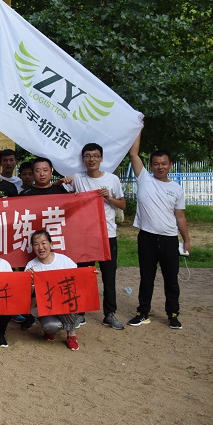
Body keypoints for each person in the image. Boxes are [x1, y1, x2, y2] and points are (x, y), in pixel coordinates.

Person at [127, 130, 190, 329]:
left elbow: (180, 216)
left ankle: (173, 314)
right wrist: (138, 128)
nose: (160, 167)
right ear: (151, 165)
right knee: (147, 277)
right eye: (156, 163)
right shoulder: (144, 179)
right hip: (146, 237)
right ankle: (143, 313)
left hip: (169, 239)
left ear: (170, 165)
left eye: (164, 163)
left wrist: (186, 240)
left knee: (171, 279)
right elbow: (133, 154)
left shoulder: (177, 189)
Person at [62, 143, 126, 330]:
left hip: (107, 235)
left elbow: (122, 204)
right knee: (84, 275)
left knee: (109, 275)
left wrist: (109, 198)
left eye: (96, 156)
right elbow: (59, 191)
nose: (92, 159)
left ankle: (109, 314)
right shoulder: (77, 178)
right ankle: (80, 313)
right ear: (83, 159)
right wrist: (63, 182)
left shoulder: (112, 179)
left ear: (102, 159)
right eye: (88, 156)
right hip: (85, 236)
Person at [25, 230, 81, 351]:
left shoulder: (64, 261)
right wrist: (29, 282)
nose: (40, 247)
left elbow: (78, 281)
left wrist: (90, 275)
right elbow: (28, 298)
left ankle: (71, 334)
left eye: (43, 243)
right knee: (51, 326)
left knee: (64, 299)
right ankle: (49, 330)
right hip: (44, 307)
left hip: (64, 304)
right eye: (36, 244)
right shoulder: (30, 267)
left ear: (51, 244)